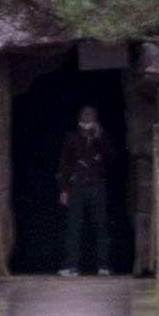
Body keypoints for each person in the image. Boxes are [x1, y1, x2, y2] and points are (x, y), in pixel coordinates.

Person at [62, 98, 129, 277]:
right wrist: (63, 189)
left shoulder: (102, 137)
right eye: (84, 114)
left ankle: (103, 266)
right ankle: (71, 266)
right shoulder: (71, 137)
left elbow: (112, 157)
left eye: (90, 114)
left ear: (96, 117)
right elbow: (64, 164)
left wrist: (100, 137)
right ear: (79, 116)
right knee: (73, 227)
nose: (87, 116)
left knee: (101, 226)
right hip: (76, 186)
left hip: (97, 186)